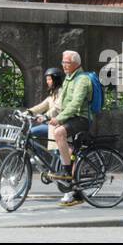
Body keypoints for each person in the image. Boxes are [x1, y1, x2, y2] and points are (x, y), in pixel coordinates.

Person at [50, 50, 94, 208]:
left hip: (81, 119)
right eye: (62, 62)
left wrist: (59, 119)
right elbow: (60, 104)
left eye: (66, 63)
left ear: (75, 63)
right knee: (70, 152)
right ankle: (75, 192)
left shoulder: (82, 80)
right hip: (71, 118)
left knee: (59, 132)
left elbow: (75, 104)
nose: (63, 65)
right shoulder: (69, 79)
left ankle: (67, 172)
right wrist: (46, 116)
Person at [26, 66, 65, 151]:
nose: (47, 82)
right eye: (47, 79)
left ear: (56, 79)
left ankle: (42, 160)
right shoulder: (53, 93)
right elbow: (42, 106)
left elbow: (57, 108)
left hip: (59, 124)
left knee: (30, 133)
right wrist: (28, 112)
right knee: (30, 133)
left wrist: (45, 116)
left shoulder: (61, 92)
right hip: (51, 124)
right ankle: (40, 159)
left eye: (49, 79)